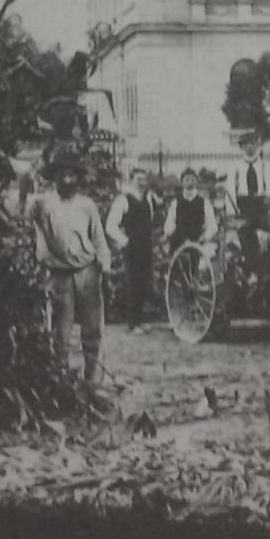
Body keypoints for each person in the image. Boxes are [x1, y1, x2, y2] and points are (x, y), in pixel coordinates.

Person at [21, 151, 111, 383]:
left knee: (92, 331)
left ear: (78, 178)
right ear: (54, 178)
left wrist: (105, 268)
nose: (67, 180)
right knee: (61, 333)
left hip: (87, 272)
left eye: (71, 175)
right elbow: (22, 215)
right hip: (59, 276)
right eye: (62, 175)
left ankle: (93, 381)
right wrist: (27, 183)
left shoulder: (86, 205)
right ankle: (61, 381)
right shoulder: (43, 203)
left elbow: (99, 239)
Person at [105, 168, 158, 334]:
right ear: (131, 180)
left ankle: (140, 321)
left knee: (144, 282)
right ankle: (133, 323)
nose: (142, 182)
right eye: (138, 179)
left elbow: (150, 220)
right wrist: (125, 242)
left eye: (144, 179)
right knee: (133, 283)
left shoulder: (148, 198)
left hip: (146, 245)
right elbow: (110, 226)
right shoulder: (123, 199)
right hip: (132, 247)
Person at [229, 131, 270, 275]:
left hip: (261, 211)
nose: (250, 147)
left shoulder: (265, 166)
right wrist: (232, 215)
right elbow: (230, 191)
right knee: (247, 234)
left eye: (253, 143)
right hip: (244, 212)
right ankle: (254, 272)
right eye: (246, 144)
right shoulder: (235, 167)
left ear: (257, 145)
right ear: (241, 147)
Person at [163, 168, 217, 255]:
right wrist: (177, 238)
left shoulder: (205, 203)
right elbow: (169, 226)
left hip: (199, 244)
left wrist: (204, 237)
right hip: (179, 246)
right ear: (182, 183)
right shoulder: (175, 203)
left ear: (196, 182)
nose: (190, 183)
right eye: (187, 180)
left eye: (192, 179)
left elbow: (212, 225)